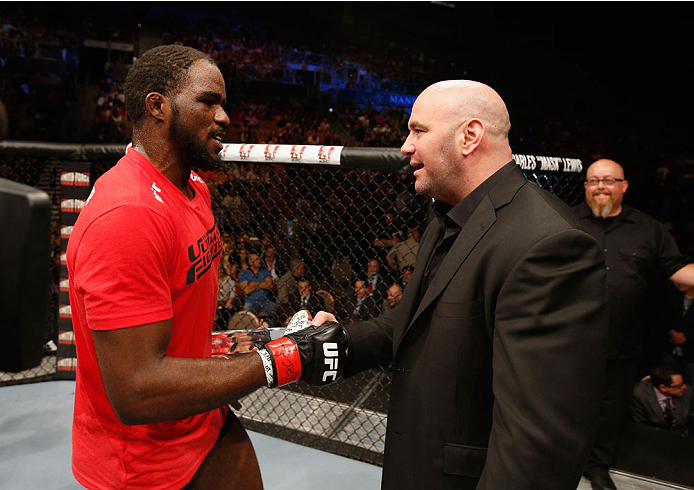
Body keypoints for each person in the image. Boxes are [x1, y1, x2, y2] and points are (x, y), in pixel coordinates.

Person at [66, 44, 344, 490]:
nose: (224, 117)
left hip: (199, 418)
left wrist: (264, 343)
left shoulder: (194, 188)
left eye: (224, 103)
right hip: (143, 460)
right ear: (157, 105)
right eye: (208, 101)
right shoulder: (129, 216)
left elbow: (179, 318)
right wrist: (284, 359)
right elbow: (137, 388)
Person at [309, 80, 609, 489]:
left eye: (418, 130)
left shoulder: (550, 245)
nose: (405, 146)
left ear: (469, 136)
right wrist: (338, 342)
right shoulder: (449, 214)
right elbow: (417, 319)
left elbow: (536, 449)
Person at [574, 158, 694, 490]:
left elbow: (676, 269)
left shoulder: (648, 228)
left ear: (623, 186)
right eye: (593, 180)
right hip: (569, 338)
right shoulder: (564, 220)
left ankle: (597, 467)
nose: (600, 186)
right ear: (585, 186)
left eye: (608, 180)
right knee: (566, 402)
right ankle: (561, 461)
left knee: (611, 409)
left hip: (622, 339)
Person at [631, 364, 692, 434]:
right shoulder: (640, 394)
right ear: (663, 388)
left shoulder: (688, 391)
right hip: (653, 436)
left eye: (683, 383)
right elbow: (639, 425)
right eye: (679, 386)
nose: (684, 387)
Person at [238, 253, 277, 326]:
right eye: (256, 260)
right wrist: (263, 284)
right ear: (250, 262)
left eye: (259, 259)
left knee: (277, 310)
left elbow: (270, 285)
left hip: (265, 301)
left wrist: (252, 284)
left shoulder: (264, 271)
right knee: (246, 316)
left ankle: (271, 329)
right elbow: (246, 290)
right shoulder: (243, 273)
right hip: (250, 301)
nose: (259, 261)